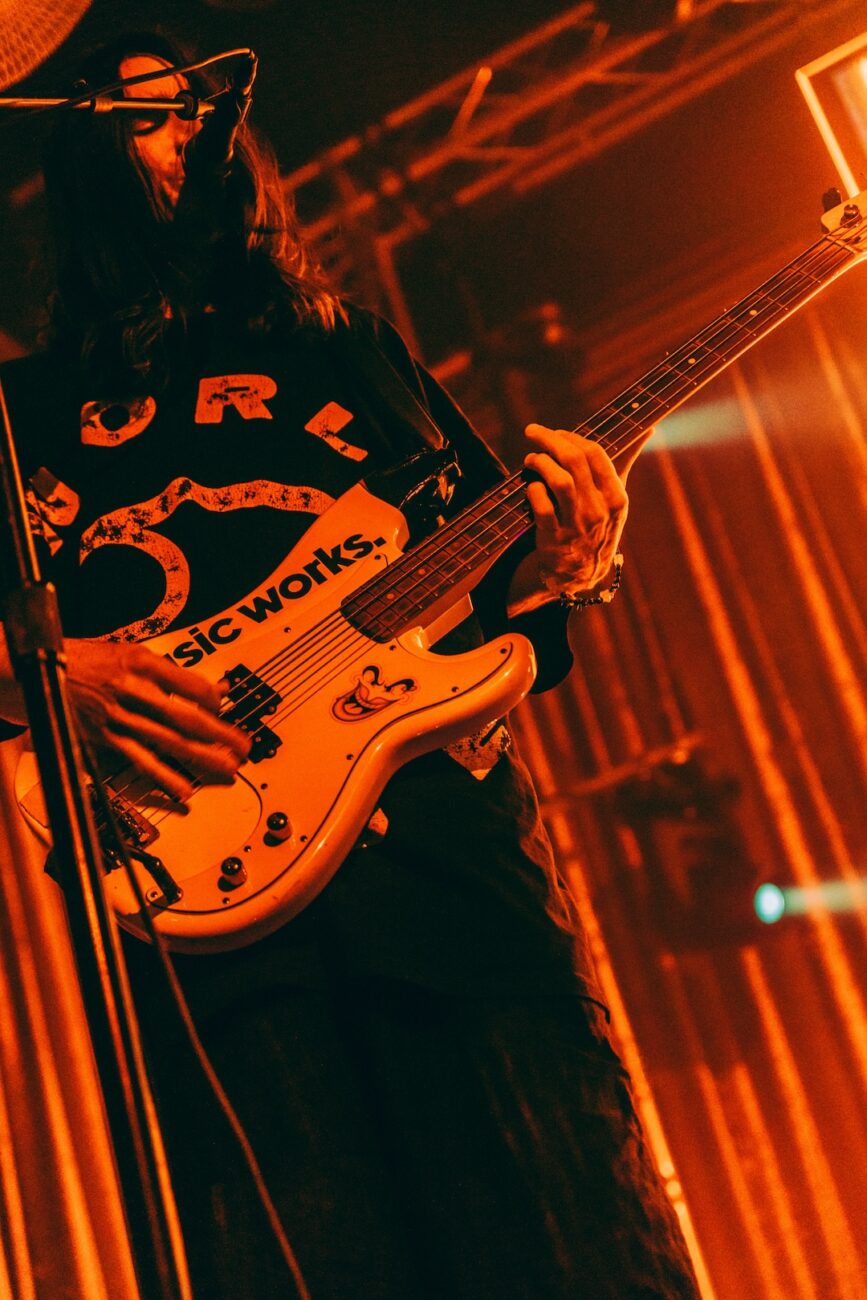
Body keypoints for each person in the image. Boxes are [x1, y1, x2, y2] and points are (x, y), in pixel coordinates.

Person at [0, 32, 700, 1299]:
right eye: (144, 119)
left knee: (577, 1246)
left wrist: (574, 556)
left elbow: (502, 595)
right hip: (213, 949)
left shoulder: (342, 345)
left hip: (455, 891)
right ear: (81, 163)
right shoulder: (24, 416)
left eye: (195, 111)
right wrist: (55, 677)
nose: (184, 136)